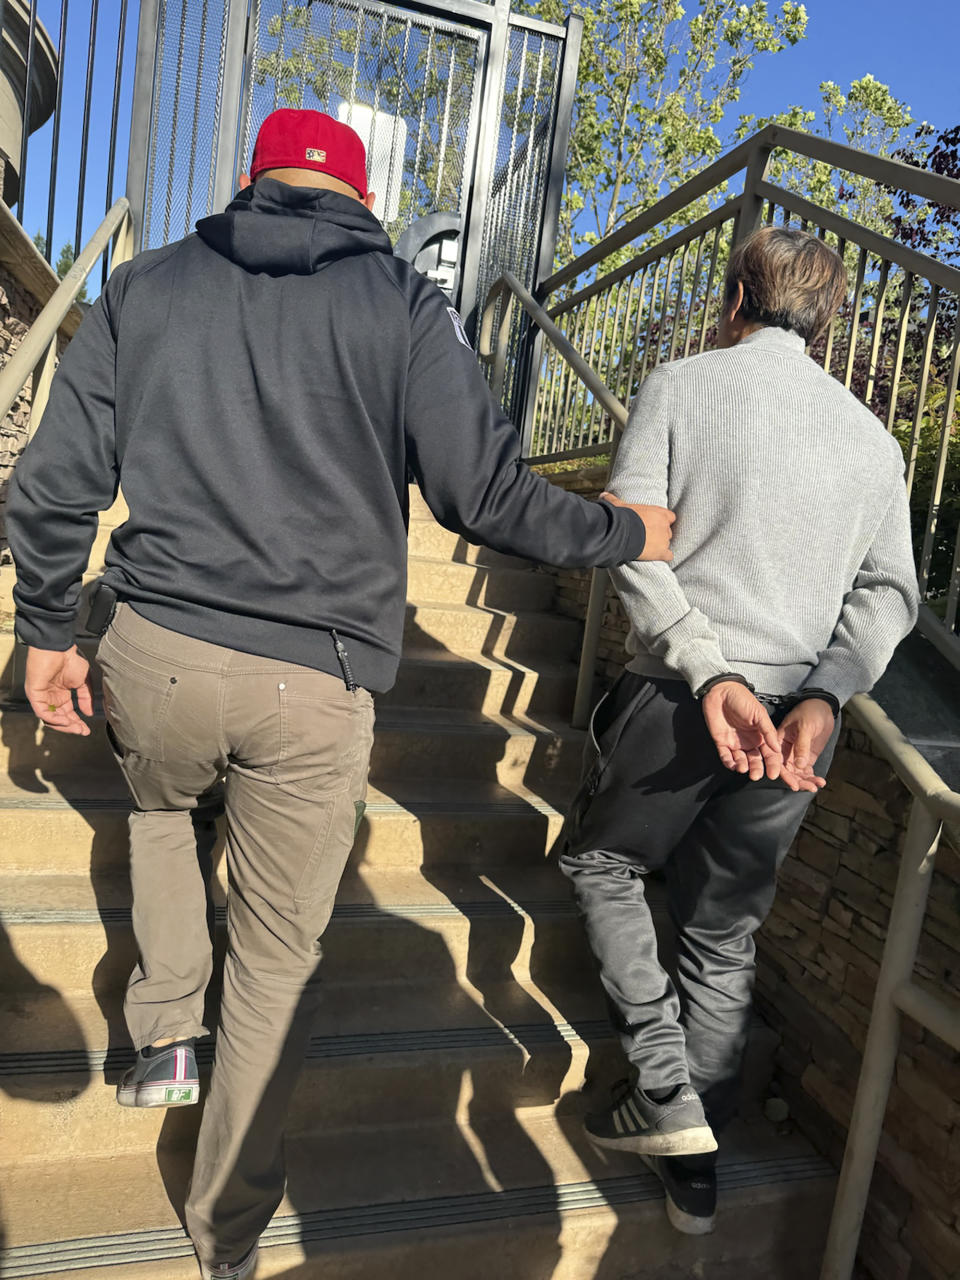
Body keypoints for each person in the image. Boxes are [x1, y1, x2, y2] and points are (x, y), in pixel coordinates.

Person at [5, 108, 676, 1279]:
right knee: (274, 960)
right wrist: (624, 529)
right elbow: (488, 496)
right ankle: (224, 1231)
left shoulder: (147, 284)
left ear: (253, 177)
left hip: (154, 646)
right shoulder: (410, 308)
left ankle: (164, 1031)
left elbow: (55, 482)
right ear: (363, 198)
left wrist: (44, 631)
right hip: (314, 682)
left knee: (161, 811)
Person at [558, 226, 919, 1237]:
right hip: (797, 729)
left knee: (603, 864)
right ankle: (697, 1168)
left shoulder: (681, 387)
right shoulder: (873, 443)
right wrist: (827, 693)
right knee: (723, 928)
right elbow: (891, 590)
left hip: (685, 700)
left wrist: (703, 659)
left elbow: (631, 538)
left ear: (733, 299)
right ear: (830, 321)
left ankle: (665, 1089)